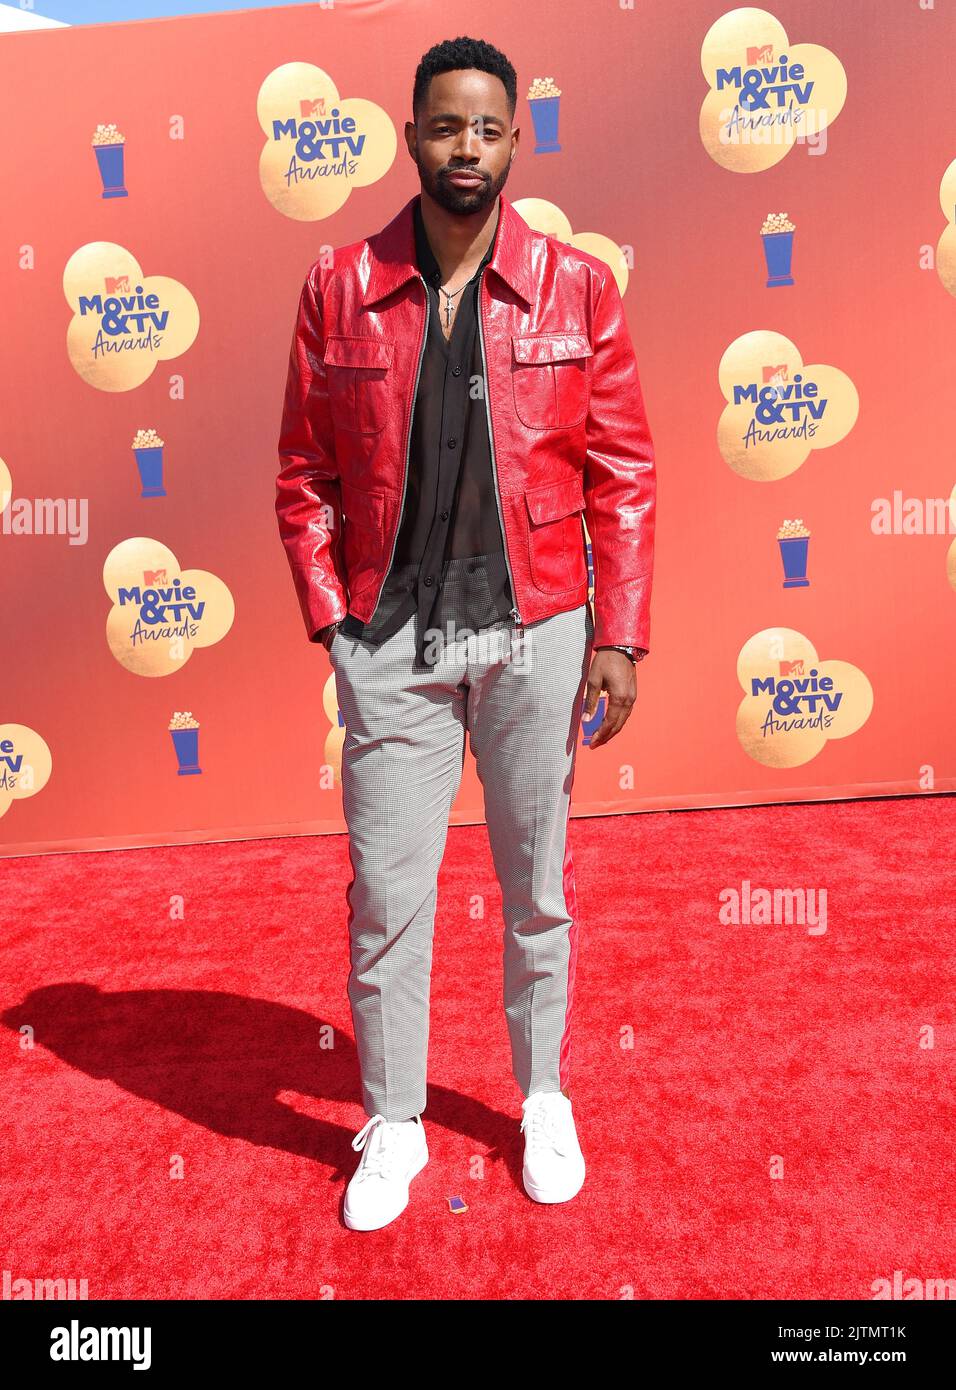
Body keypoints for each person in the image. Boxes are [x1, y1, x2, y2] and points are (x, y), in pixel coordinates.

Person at [276, 36, 656, 1231]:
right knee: (387, 893)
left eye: (487, 130)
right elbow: (301, 476)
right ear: (408, 136)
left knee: (535, 886)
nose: (466, 150)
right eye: (445, 127)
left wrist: (620, 634)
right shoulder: (336, 283)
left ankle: (540, 1094)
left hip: (537, 629)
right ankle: (391, 1119)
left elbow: (622, 469)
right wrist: (332, 621)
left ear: (512, 142)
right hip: (390, 642)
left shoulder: (574, 284)